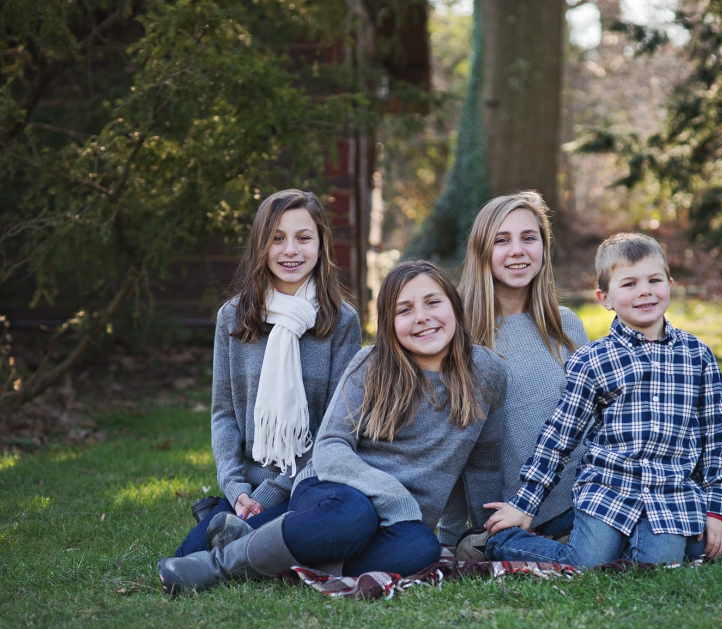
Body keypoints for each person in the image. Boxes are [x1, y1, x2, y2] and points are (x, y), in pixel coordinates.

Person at [158, 260, 507, 595]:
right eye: (405, 310)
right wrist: (390, 494)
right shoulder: (371, 366)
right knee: (355, 515)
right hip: (334, 492)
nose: (422, 318)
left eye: (433, 302)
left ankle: (262, 543)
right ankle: (220, 562)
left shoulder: (487, 372)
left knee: (421, 550)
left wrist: (481, 530)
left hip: (400, 522)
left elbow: (483, 460)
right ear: (388, 322)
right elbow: (329, 447)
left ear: (455, 307)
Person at [479, 232, 722, 566]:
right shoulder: (593, 360)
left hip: (668, 491)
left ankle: (653, 546)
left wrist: (715, 510)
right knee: (585, 563)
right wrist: (525, 504)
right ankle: (502, 544)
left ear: (670, 283)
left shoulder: (697, 355)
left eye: (654, 280)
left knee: (660, 565)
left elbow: (718, 436)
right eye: (629, 284)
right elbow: (560, 436)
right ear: (604, 297)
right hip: (608, 489)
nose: (645, 291)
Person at [173, 189, 361, 556]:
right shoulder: (232, 317)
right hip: (245, 485)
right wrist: (236, 489)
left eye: (303, 238)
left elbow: (336, 428)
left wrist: (271, 493)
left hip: (309, 480)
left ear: (321, 245)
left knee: (338, 521)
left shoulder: (342, 322)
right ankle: (240, 527)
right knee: (189, 555)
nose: (290, 250)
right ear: (261, 245)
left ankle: (241, 533)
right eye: (277, 239)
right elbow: (224, 414)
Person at [439, 191, 589, 548]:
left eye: (528, 238)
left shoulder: (567, 326)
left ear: (543, 248)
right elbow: (453, 445)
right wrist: (450, 538)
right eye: (502, 240)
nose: (517, 251)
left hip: (594, 496)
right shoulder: (460, 338)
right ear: (482, 251)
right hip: (519, 513)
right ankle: (559, 544)